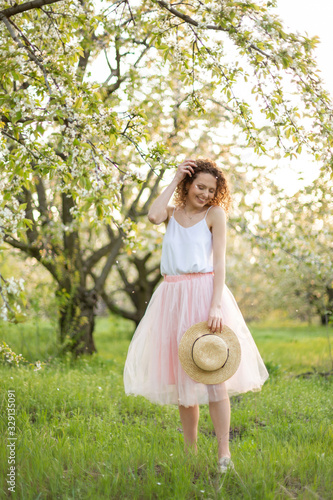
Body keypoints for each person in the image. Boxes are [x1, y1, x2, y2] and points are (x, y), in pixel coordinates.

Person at [123, 158, 269, 473]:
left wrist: (216, 305)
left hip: (204, 295)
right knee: (183, 379)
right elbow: (152, 215)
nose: (204, 193)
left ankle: (223, 453)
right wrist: (175, 178)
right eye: (199, 186)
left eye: (210, 189)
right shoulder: (172, 215)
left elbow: (220, 264)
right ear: (188, 185)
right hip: (172, 297)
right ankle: (190, 453)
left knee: (213, 374)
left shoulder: (214, 215)